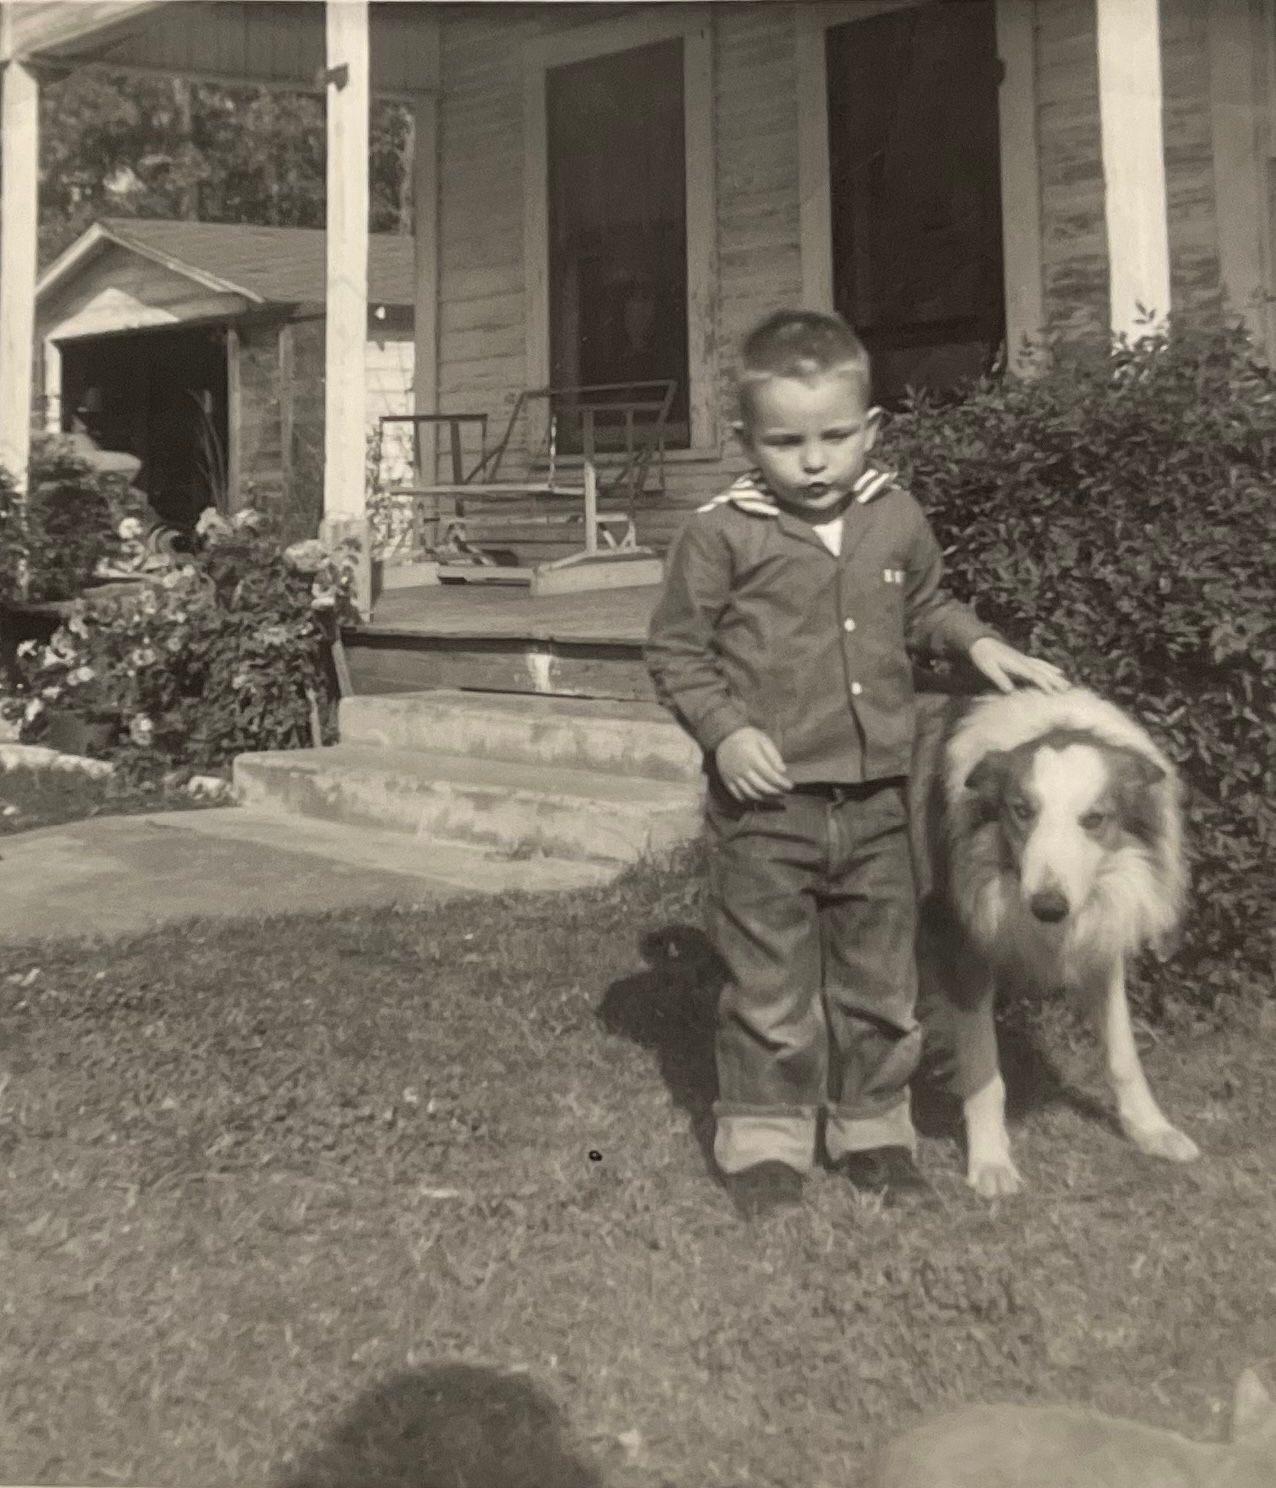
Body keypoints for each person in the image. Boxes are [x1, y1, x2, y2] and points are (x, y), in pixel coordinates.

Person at [645, 309, 1068, 1219]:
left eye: (835, 436)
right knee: (769, 980)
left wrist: (978, 643)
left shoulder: (894, 514)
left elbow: (927, 607)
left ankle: (873, 1128)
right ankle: (764, 1138)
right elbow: (677, 653)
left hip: (879, 801)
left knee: (882, 979)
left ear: (869, 429)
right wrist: (725, 732)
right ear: (747, 441)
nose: (812, 460)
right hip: (767, 809)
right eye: (785, 440)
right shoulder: (720, 534)